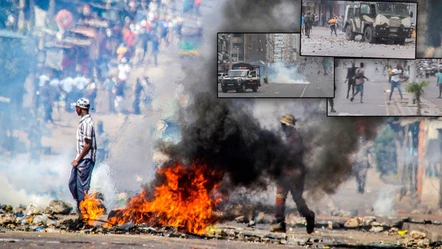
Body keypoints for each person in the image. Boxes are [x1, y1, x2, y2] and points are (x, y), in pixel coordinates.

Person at [270, 114, 315, 234]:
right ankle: (280, 223)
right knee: (280, 198)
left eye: (284, 125)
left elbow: (293, 156)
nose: (282, 128)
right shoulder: (287, 137)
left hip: (295, 174)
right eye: (282, 125)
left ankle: (309, 216)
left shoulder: (296, 138)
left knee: (297, 199)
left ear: (289, 126)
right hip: (285, 173)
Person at [68, 98, 97, 220]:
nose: (76, 109)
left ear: (80, 108)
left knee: (82, 189)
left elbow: (88, 145)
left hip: (84, 161)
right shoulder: (83, 122)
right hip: (81, 160)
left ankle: (85, 215)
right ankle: (81, 208)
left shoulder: (87, 124)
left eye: (76, 107)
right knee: (72, 184)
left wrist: (78, 160)